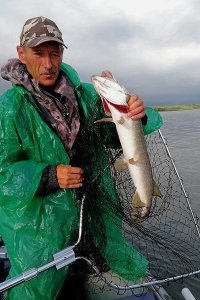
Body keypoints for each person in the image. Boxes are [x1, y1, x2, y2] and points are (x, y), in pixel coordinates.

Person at [0, 16, 162, 300]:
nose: (48, 63)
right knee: (39, 290)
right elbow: (3, 171)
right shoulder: (10, 108)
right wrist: (47, 175)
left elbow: (116, 138)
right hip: (41, 231)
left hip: (95, 224)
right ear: (21, 53)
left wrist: (137, 114)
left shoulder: (86, 96)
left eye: (55, 53)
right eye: (39, 53)